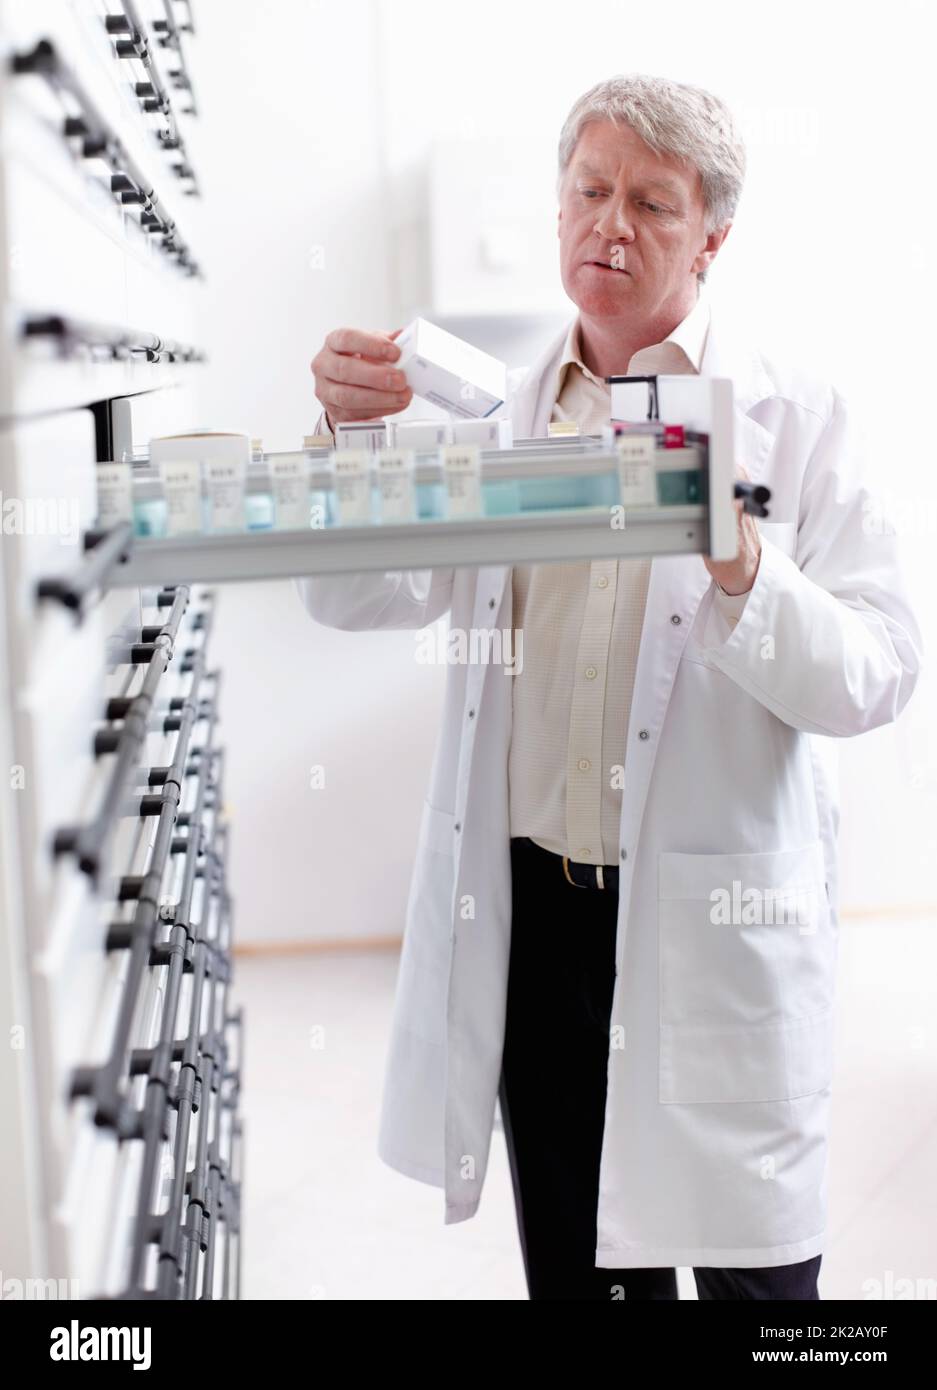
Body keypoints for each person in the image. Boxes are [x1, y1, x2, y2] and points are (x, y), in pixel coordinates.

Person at [296, 74, 922, 1300]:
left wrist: (742, 561)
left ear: (712, 237)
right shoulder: (502, 422)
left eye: (650, 201)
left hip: (710, 921)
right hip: (541, 928)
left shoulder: (798, 420)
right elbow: (351, 595)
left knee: (761, 1296)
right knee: (581, 1281)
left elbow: (881, 671)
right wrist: (349, 441)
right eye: (588, 190)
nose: (609, 225)